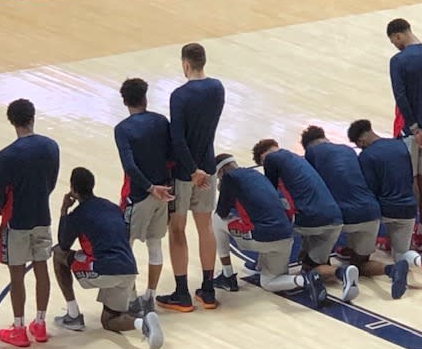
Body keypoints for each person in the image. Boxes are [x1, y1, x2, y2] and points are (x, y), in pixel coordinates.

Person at [53, 168, 164, 349]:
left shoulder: (77, 215)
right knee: (109, 320)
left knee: (58, 255)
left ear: (73, 188)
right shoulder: (112, 207)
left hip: (104, 268)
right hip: (129, 269)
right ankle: (142, 323)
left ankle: (73, 315)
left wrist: (64, 211)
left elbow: (63, 245)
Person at [300, 126, 409, 299]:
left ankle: (341, 273)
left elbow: (312, 190)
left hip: (344, 214)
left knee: (310, 267)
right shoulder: (348, 150)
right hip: (371, 212)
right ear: (325, 137)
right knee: (361, 264)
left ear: (308, 146)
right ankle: (391, 269)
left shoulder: (312, 154)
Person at [157, 43, 225, 312]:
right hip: (208, 166)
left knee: (177, 229)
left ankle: (182, 293)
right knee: (205, 227)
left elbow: (178, 138)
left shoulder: (179, 96)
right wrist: (201, 169)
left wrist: (191, 169)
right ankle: (208, 291)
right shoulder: (218, 87)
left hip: (185, 173)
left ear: (185, 64)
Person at [212, 154, 328, 308]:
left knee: (216, 218)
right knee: (268, 282)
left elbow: (222, 211)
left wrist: (225, 191)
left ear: (221, 172)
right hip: (286, 236)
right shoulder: (257, 175)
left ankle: (227, 275)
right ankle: (305, 280)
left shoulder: (229, 178)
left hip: (263, 237)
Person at [251, 139, 360, 297]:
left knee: (274, 228)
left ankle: (264, 266)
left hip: (312, 218)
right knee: (311, 263)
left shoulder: (271, 159)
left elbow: (270, 196)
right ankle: (343, 273)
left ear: (263, 157)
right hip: (335, 217)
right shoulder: (298, 160)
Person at [347, 119, 422, 289]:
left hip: (385, 209)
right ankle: (421, 262)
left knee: (359, 261)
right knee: (401, 254)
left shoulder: (367, 156)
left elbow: (370, 189)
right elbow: (411, 178)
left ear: (361, 141)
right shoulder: (400, 145)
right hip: (408, 208)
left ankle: (375, 262)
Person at [0, 99, 59, 347]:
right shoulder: (51, 146)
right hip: (42, 215)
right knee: (42, 268)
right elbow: (51, 182)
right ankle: (40, 324)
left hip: (17, 220)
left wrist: (4, 210)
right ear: (33, 117)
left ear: (12, 122)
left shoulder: (6, 156)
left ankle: (19, 328)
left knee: (17, 274)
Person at [115, 78, 174, 314]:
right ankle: (150, 295)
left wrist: (149, 187)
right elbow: (171, 155)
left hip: (139, 194)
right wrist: (164, 187)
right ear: (145, 98)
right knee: (155, 244)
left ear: (124, 101)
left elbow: (129, 166)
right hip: (164, 193)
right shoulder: (161, 121)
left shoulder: (123, 129)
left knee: (126, 246)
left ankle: (131, 298)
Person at [387, 18, 422, 249]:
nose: (395, 46)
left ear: (398, 35)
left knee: (410, 181)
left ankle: (409, 232)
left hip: (411, 130)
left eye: (394, 41)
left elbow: (400, 96)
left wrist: (413, 127)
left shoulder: (397, 61)